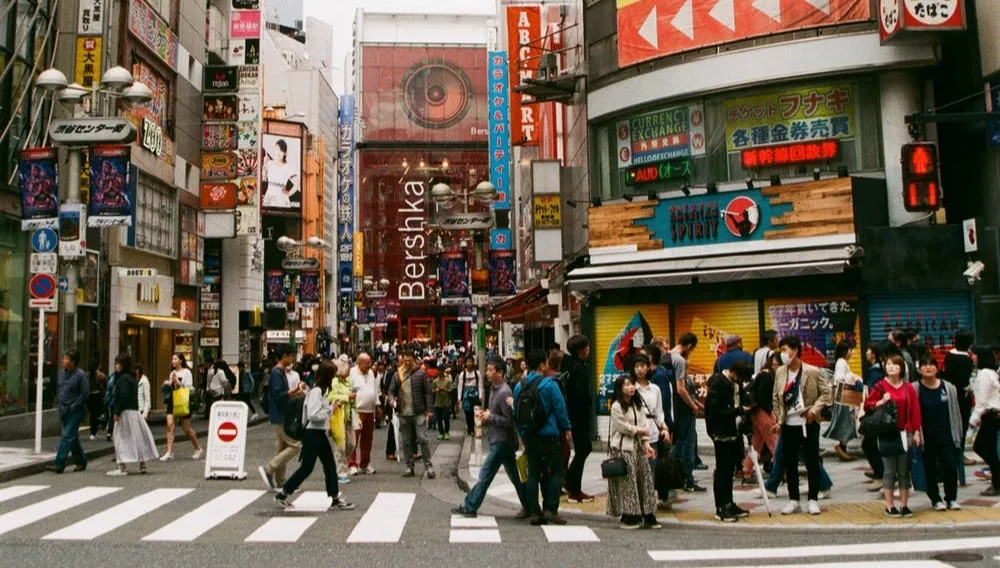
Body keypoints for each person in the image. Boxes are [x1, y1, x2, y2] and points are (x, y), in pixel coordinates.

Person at [453, 359, 529, 518]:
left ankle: (470, 505)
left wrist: (490, 416)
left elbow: (509, 421)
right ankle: (529, 506)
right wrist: (487, 414)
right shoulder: (494, 390)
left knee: (485, 474)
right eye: (487, 369)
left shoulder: (504, 392)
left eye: (490, 370)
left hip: (502, 441)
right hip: (500, 440)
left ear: (500, 372)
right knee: (514, 476)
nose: (486, 372)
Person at [275, 362, 356, 511]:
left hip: (318, 432)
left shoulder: (320, 391)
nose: (334, 378)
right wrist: (330, 410)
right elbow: (313, 414)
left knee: (328, 465)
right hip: (313, 433)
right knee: (307, 467)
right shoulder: (316, 392)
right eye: (332, 375)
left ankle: (335, 498)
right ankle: (284, 493)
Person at [772, 335, 831, 516]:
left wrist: (814, 410)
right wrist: (779, 419)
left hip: (808, 422)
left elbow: (827, 393)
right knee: (790, 463)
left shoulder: (811, 371)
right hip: (789, 424)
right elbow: (776, 396)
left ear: (795, 350)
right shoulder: (781, 372)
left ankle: (813, 499)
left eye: (785, 350)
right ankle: (794, 500)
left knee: (812, 461)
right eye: (781, 350)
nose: (783, 354)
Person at [513, 349, 573, 526]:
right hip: (549, 435)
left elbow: (516, 412)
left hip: (530, 436)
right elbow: (560, 409)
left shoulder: (519, 386)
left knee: (533, 473)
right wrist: (567, 428)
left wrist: (522, 434)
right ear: (541, 365)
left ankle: (535, 512)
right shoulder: (549, 385)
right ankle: (550, 509)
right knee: (556, 471)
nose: (548, 365)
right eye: (546, 362)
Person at [863, 353, 921, 517]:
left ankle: (904, 504)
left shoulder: (907, 387)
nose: (891, 367)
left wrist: (916, 431)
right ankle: (889, 505)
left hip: (904, 432)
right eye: (888, 364)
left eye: (895, 365)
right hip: (886, 433)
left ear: (902, 368)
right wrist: (881, 402)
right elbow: (868, 406)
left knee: (903, 470)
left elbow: (915, 410)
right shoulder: (880, 386)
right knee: (889, 470)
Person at [605, 374, 661, 530]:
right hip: (623, 449)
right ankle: (629, 515)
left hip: (638, 449)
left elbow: (644, 425)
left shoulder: (638, 404)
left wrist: (647, 445)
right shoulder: (616, 406)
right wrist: (639, 430)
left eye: (632, 384)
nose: (631, 387)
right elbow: (623, 426)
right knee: (628, 483)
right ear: (620, 388)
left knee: (645, 480)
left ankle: (648, 514)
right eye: (627, 385)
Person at [706, 360, 751, 522]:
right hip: (721, 432)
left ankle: (729, 503)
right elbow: (715, 411)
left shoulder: (734, 385)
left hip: (734, 431)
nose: (739, 382)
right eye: (738, 378)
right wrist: (738, 411)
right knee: (722, 471)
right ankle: (721, 507)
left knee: (730, 470)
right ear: (733, 373)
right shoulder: (719, 383)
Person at [916, 355, 963, 510]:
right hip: (926, 437)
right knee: (930, 469)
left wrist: (959, 433)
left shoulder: (948, 388)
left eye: (931, 365)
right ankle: (935, 499)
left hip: (946, 435)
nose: (928, 368)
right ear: (919, 369)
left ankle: (951, 498)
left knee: (950, 466)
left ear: (937, 368)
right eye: (924, 365)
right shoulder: (915, 388)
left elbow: (956, 412)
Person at [259, 345, 306, 489]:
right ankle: (269, 469)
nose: (292, 359)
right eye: (291, 356)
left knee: (281, 447)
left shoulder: (278, 372)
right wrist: (295, 391)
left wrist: (295, 393)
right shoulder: (277, 373)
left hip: (280, 414)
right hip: (281, 415)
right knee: (296, 445)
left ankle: (281, 481)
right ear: (284, 355)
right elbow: (279, 395)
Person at [389, 347, 436, 479]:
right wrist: (392, 400)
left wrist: (430, 409)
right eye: (405, 361)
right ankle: (409, 466)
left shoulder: (421, 374)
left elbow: (428, 392)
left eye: (410, 361)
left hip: (418, 411)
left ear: (414, 360)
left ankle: (429, 466)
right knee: (406, 441)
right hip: (403, 412)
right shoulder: (398, 374)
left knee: (423, 439)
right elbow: (391, 391)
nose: (407, 364)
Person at [107, 355, 158, 476]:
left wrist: (117, 412)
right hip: (135, 413)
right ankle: (142, 464)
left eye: (118, 364)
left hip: (125, 413)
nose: (116, 366)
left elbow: (123, 396)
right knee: (138, 438)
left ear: (122, 365)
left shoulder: (123, 379)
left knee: (119, 438)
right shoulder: (133, 378)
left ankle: (122, 466)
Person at [631, 353, 671, 506]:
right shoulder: (631, 388)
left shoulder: (655, 389)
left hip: (652, 433)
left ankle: (648, 503)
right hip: (635, 433)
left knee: (650, 470)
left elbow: (659, 412)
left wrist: (664, 428)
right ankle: (635, 503)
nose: (640, 370)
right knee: (635, 470)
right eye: (636, 366)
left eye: (642, 366)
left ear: (648, 368)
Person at [668, 332, 705, 492]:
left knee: (680, 442)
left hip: (672, 406)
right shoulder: (680, 360)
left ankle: (675, 474)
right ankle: (688, 480)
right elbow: (681, 389)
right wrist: (693, 406)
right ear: (689, 346)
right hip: (682, 408)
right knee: (687, 443)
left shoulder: (666, 356)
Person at [563, 334, 596, 503]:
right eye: (586, 347)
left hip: (573, 416)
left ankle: (571, 483)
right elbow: (581, 396)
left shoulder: (570, 367)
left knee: (583, 450)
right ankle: (572, 485)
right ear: (580, 351)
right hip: (579, 417)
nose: (588, 350)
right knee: (584, 450)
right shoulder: (580, 369)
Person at [48, 350, 89, 474]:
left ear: (73, 362)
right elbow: (60, 390)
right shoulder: (61, 374)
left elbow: (85, 393)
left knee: (66, 436)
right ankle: (81, 461)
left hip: (75, 411)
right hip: (63, 409)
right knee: (72, 437)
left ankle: (59, 463)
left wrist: (74, 405)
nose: (63, 361)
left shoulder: (81, 375)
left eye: (66, 359)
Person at [743, 351, 779, 482]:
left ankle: (747, 472)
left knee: (757, 443)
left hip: (756, 411)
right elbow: (763, 396)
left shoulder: (765, 374)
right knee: (774, 441)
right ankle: (784, 473)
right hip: (762, 412)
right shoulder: (766, 375)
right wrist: (770, 412)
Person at [969, 346, 1000, 496]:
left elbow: (982, 401)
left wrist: (973, 419)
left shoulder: (984, 374)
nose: (972, 357)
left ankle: (997, 481)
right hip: (993, 414)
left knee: (981, 447)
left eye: (974, 354)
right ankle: (996, 481)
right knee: (989, 450)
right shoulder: (991, 373)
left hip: (990, 415)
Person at [160, 353, 203, 461]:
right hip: (172, 400)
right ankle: (169, 452)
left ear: (180, 360)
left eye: (175, 359)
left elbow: (188, 388)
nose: (173, 361)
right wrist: (168, 383)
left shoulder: (187, 372)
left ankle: (198, 448)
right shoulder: (172, 373)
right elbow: (171, 386)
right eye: (172, 359)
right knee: (170, 425)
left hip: (183, 400)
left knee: (186, 428)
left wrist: (178, 382)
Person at [825, 340, 863, 461]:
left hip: (844, 395)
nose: (851, 352)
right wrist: (853, 378)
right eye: (850, 350)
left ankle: (843, 448)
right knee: (845, 422)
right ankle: (841, 447)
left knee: (846, 422)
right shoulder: (841, 362)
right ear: (844, 351)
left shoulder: (842, 362)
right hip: (844, 396)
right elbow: (839, 378)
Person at [943, 330, 975, 464]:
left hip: (949, 395)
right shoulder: (966, 359)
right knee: (961, 425)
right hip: (962, 397)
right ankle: (960, 455)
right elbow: (965, 381)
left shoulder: (949, 355)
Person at [348, 353, 379, 475]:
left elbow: (374, 388)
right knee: (354, 439)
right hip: (357, 410)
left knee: (368, 439)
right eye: (367, 363)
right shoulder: (351, 373)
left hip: (370, 410)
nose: (369, 365)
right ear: (359, 363)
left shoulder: (370, 373)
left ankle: (365, 463)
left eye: (370, 363)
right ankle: (351, 463)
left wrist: (377, 404)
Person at [329, 359, 357, 484]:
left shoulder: (348, 382)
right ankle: (341, 472)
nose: (348, 372)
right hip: (338, 417)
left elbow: (353, 399)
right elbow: (331, 397)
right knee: (340, 445)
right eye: (347, 370)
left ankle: (341, 464)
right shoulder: (334, 382)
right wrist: (347, 397)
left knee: (351, 443)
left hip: (349, 416)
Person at [457, 357, 482, 436]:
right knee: (467, 411)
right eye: (468, 362)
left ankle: (474, 428)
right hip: (466, 394)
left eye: (471, 361)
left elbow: (480, 384)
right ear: (465, 363)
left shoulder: (477, 373)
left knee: (475, 411)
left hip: (475, 393)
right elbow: (460, 386)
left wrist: (480, 395)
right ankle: (470, 428)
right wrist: (459, 398)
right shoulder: (463, 374)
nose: (469, 363)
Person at [87, 363, 107, 440]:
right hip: (97, 396)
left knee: (93, 414)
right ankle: (94, 431)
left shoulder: (87, 376)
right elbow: (104, 384)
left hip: (90, 396)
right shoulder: (99, 376)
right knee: (96, 414)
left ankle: (93, 431)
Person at [433, 365, 453, 440]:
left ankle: (446, 432)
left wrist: (445, 389)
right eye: (439, 371)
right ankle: (441, 432)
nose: (440, 372)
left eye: (441, 371)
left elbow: (451, 390)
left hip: (446, 402)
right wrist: (436, 390)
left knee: (446, 417)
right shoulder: (435, 381)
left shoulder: (448, 381)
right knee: (439, 418)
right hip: (437, 402)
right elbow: (432, 390)